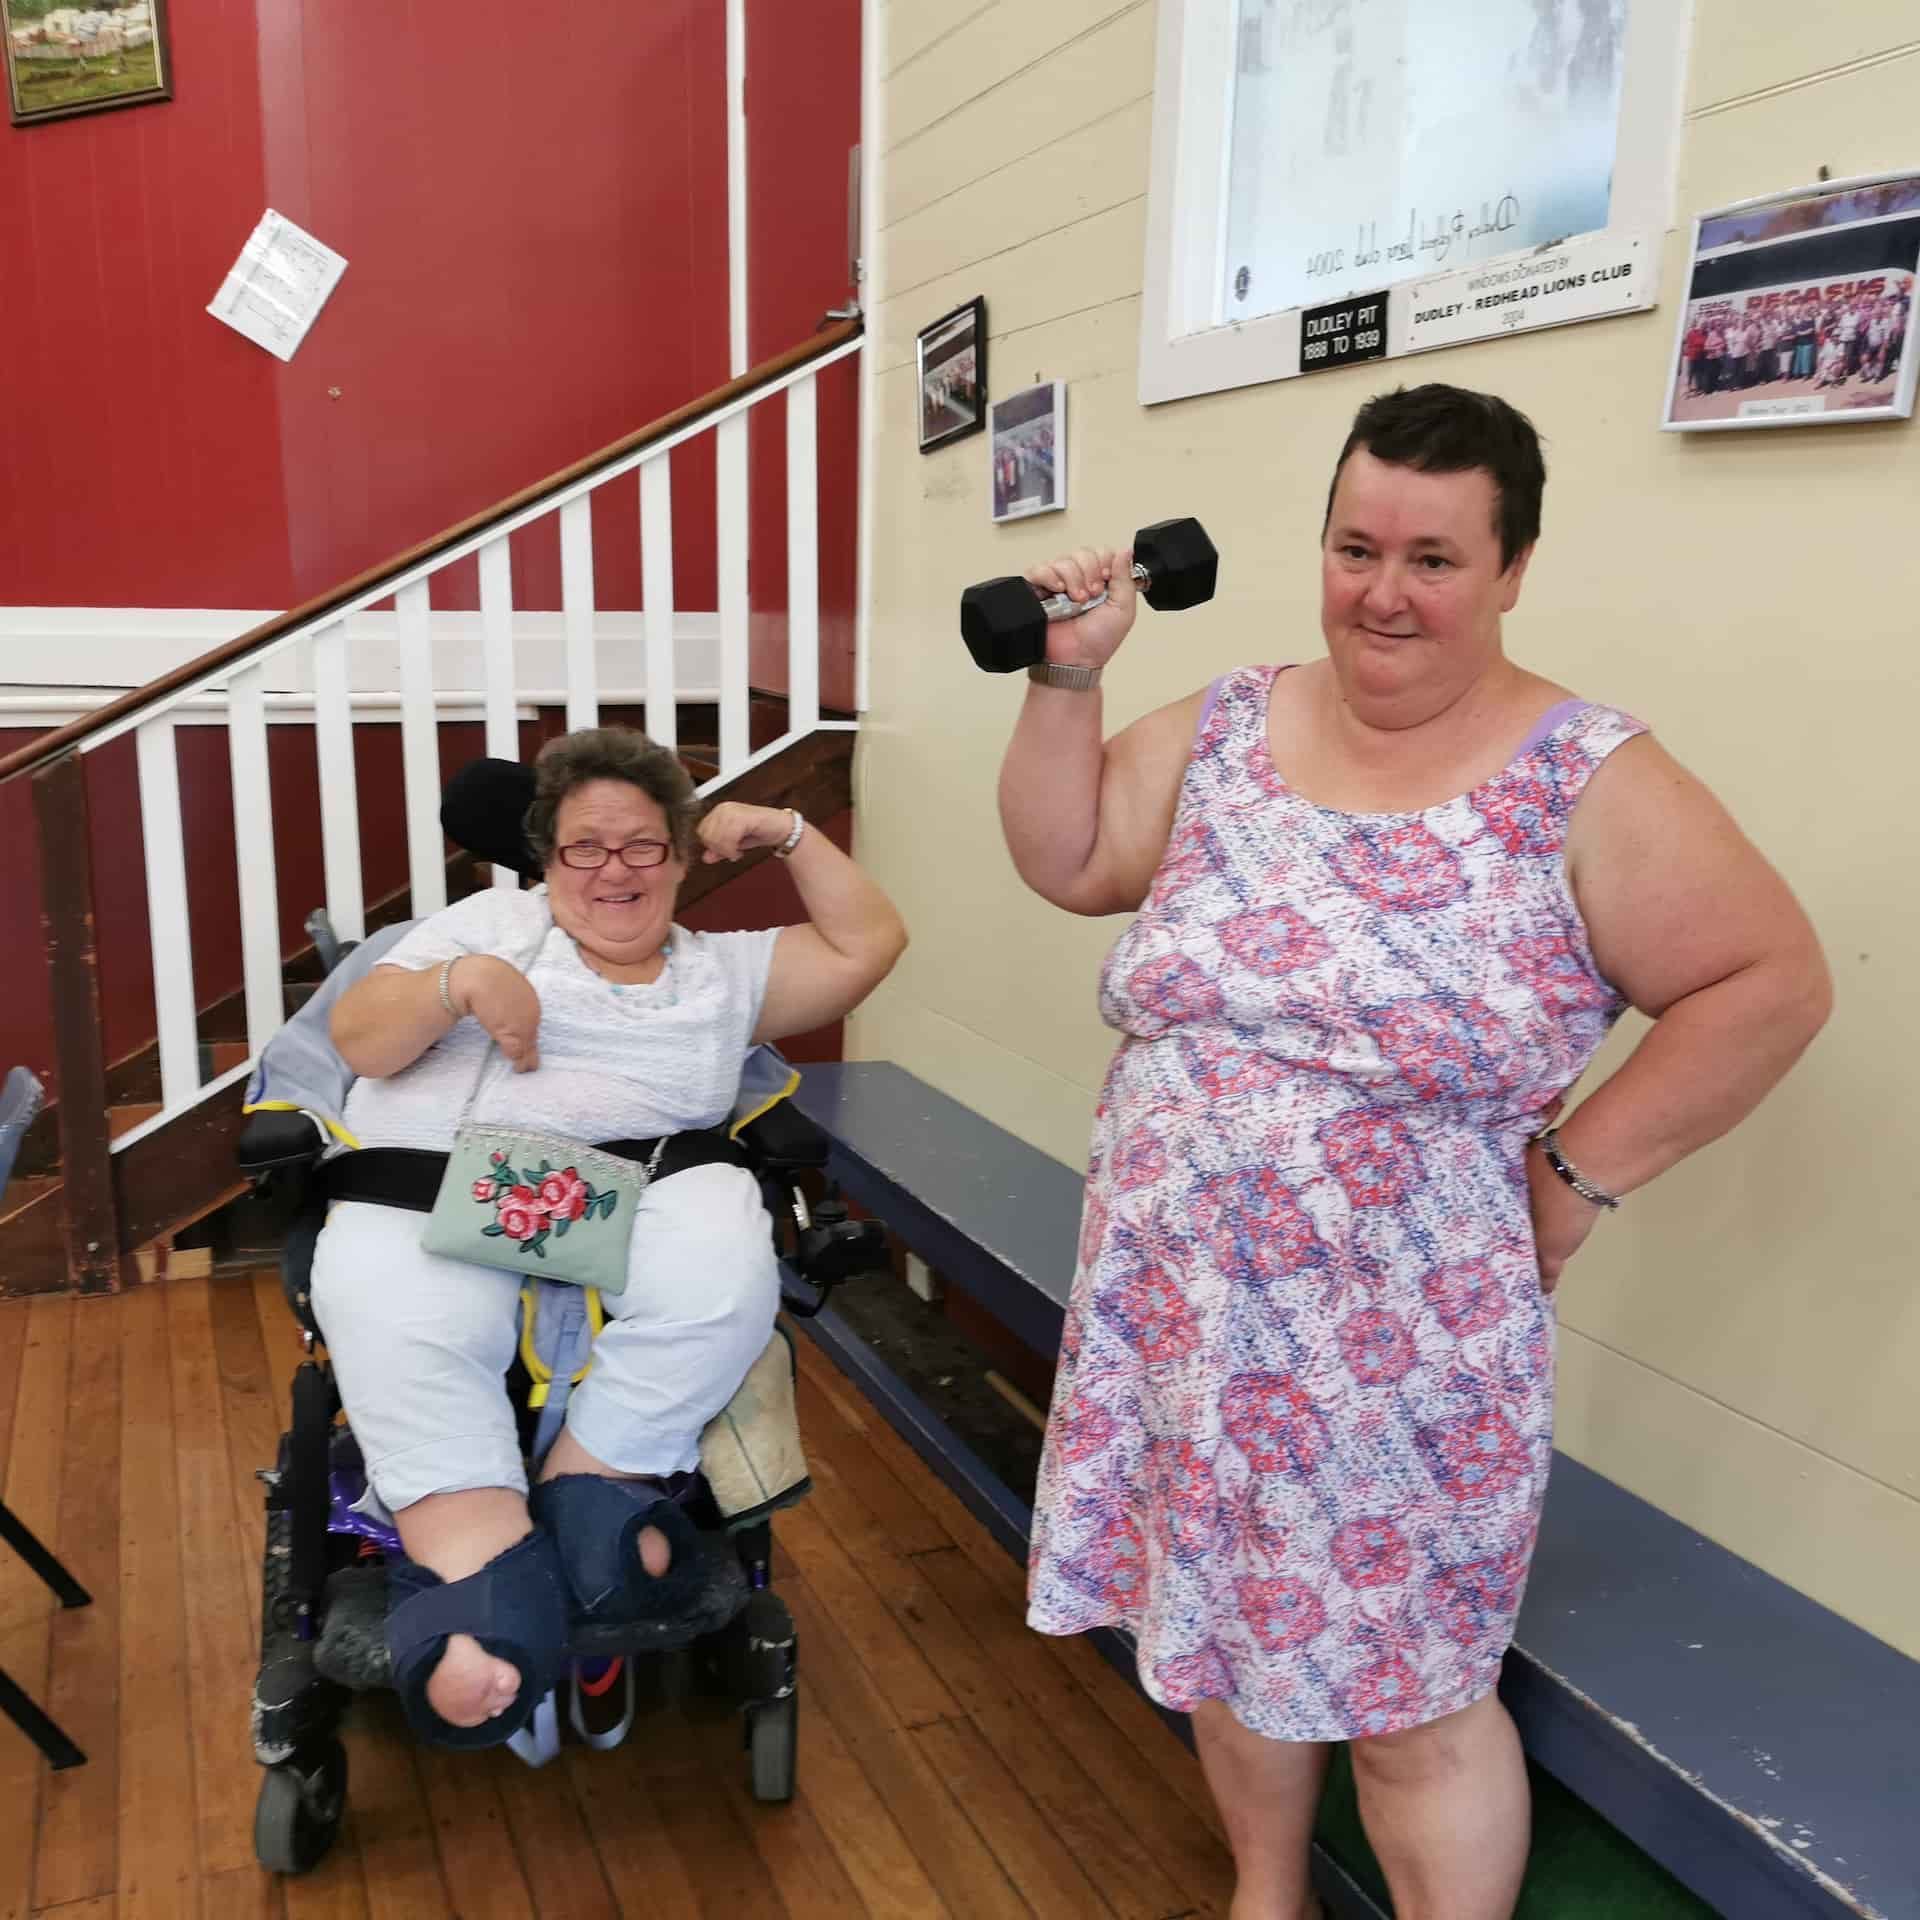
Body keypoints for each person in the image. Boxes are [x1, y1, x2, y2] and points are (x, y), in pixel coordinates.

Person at [997, 385, 1830, 1920]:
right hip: (1184, 1313)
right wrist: (1067, 679)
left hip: (1403, 1351)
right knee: (1227, 1628)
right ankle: (1268, 1893)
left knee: (1410, 1701)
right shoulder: (1232, 722)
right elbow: (1069, 857)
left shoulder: (1583, 773)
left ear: (1512, 569)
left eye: (1434, 559)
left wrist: (1575, 1177)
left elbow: (1767, 983)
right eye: (1356, 548)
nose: (1384, 593)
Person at [314, 726, 907, 1746]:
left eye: (642, 845)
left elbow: (870, 944)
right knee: (398, 1302)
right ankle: (471, 1546)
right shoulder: (486, 924)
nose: (614, 869)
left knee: (727, 1260)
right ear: (547, 858)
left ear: (680, 858)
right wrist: (457, 985)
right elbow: (362, 1039)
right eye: (585, 846)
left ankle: (596, 1482)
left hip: (630, 1191)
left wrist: (791, 832)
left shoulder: (724, 973)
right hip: (440, 1180)